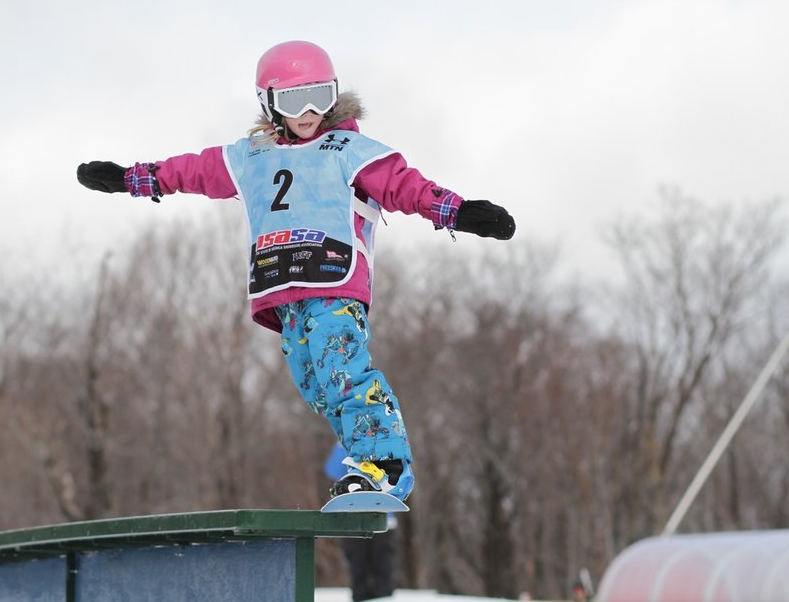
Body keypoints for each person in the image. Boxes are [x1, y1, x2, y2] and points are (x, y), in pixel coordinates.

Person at [76, 40, 515, 503]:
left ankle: (386, 463)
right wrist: (129, 178)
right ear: (268, 103)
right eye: (291, 100)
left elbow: (405, 186)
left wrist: (459, 212)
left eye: (318, 97)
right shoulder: (251, 157)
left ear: (334, 96)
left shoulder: (348, 149)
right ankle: (363, 464)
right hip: (284, 290)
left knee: (342, 369)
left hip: (333, 282)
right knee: (316, 383)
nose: (307, 112)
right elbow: (192, 171)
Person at [325, 442, 398, 601]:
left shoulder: (383, 441)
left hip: (383, 518)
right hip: (353, 520)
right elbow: (333, 471)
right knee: (359, 571)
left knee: (382, 571)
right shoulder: (346, 443)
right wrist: (342, 444)